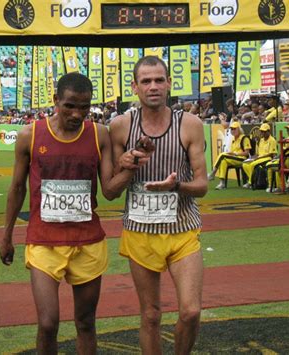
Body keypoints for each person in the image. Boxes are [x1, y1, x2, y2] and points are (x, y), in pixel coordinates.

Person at [0, 72, 151, 354]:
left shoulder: (98, 134)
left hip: (88, 243)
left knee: (85, 322)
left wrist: (130, 167)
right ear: (56, 100)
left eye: (84, 106)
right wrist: (6, 236)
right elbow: (17, 188)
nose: (77, 113)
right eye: (69, 105)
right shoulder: (29, 136)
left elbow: (109, 190)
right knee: (47, 323)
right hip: (44, 241)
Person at [109, 55, 208, 354]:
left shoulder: (189, 124)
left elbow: (202, 185)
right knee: (150, 315)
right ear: (134, 87)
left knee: (190, 312)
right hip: (140, 231)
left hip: (182, 230)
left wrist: (176, 186)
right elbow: (110, 191)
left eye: (159, 80)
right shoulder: (120, 127)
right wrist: (127, 166)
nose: (153, 86)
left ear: (168, 84)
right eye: (146, 81)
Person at [208, 120, 251, 189]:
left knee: (222, 155)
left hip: (242, 158)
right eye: (231, 129)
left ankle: (213, 173)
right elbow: (232, 151)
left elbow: (247, 152)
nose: (232, 130)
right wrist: (231, 153)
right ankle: (222, 183)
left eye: (234, 129)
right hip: (234, 158)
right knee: (223, 161)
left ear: (239, 129)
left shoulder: (244, 138)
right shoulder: (233, 139)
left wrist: (236, 154)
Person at [241, 123, 278, 189]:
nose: (262, 133)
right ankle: (252, 180)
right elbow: (257, 153)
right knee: (245, 164)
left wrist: (259, 158)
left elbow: (272, 154)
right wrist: (252, 158)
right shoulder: (261, 140)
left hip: (267, 158)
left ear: (268, 131)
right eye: (261, 131)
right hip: (259, 158)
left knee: (253, 164)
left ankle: (250, 183)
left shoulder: (272, 140)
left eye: (264, 132)